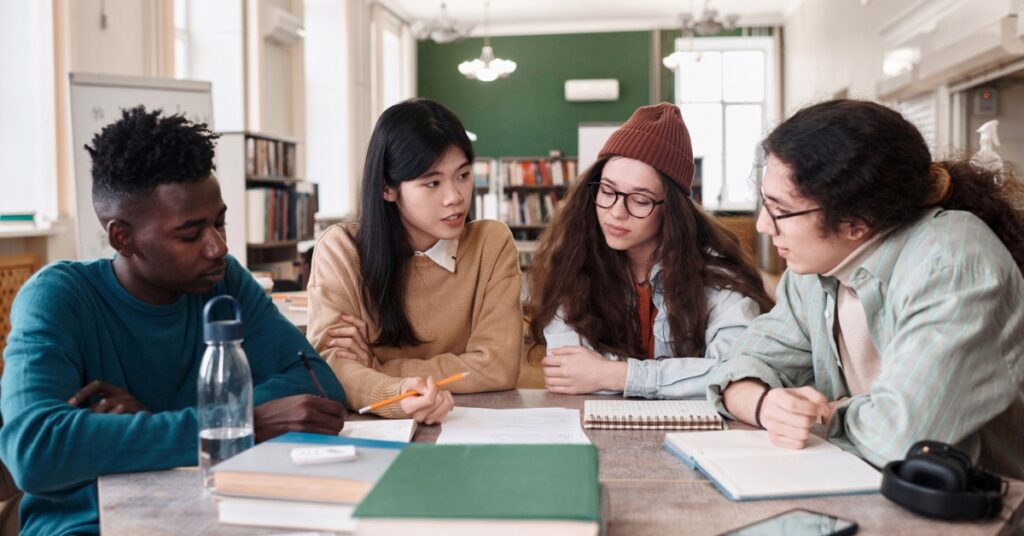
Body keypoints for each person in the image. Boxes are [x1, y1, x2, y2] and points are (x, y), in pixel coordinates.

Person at [0, 106, 347, 536]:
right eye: (190, 234)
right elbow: (34, 451)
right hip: (90, 524)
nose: (217, 246)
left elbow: (319, 383)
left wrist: (147, 422)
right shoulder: (58, 297)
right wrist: (245, 425)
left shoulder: (224, 282)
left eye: (220, 222)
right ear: (121, 237)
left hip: (214, 512)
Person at [707, 99, 1024, 478]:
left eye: (781, 210)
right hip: (866, 491)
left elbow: (905, 437)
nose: (762, 225)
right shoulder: (812, 272)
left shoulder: (951, 262)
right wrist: (765, 404)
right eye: (764, 202)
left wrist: (824, 412)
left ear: (858, 221)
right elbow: (738, 367)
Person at [526, 103, 773, 398]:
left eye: (640, 200)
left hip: (702, 438)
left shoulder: (716, 272)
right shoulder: (572, 260)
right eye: (607, 191)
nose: (616, 212)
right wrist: (684, 379)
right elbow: (570, 374)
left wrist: (615, 374)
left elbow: (737, 372)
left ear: (672, 209)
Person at [307, 99, 521, 422]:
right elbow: (331, 367)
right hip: (375, 431)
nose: (455, 197)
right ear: (388, 189)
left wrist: (379, 369)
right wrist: (398, 395)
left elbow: (499, 366)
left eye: (463, 175)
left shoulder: (491, 244)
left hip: (472, 425)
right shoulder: (341, 250)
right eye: (432, 183)